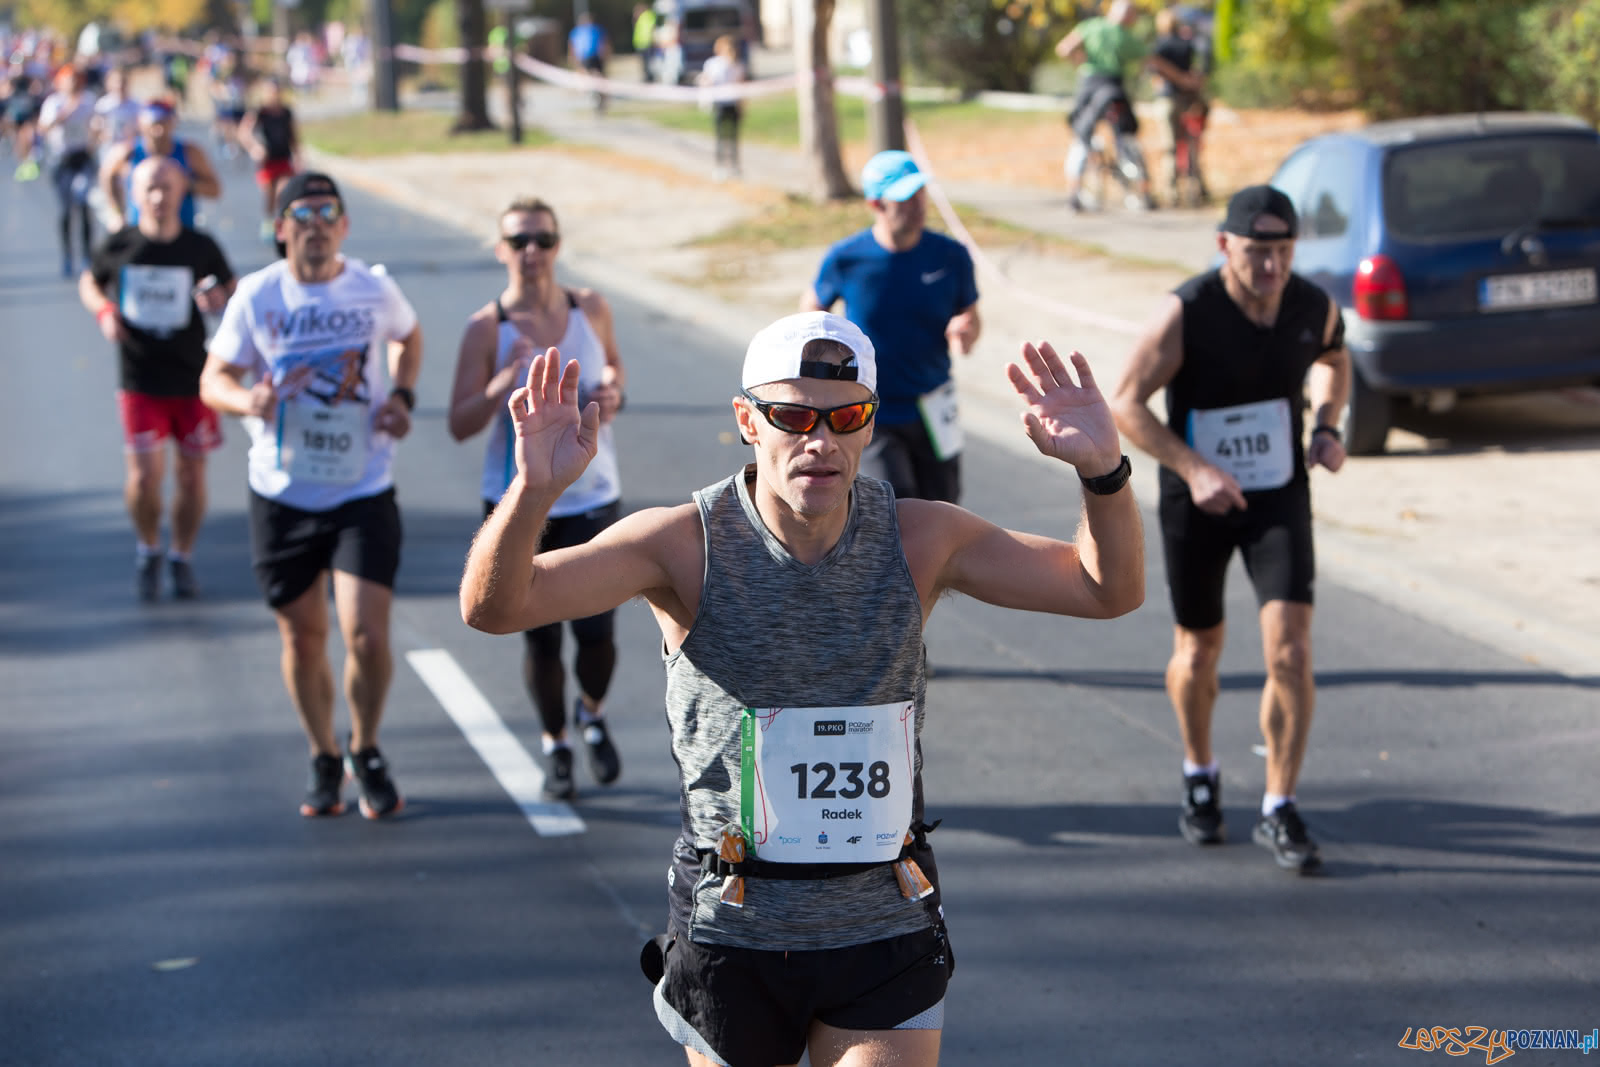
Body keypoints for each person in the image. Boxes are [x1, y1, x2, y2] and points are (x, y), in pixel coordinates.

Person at [460, 310, 1144, 1067]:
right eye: (791, 416)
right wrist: (531, 491)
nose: (818, 440)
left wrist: (1103, 472)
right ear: (748, 422)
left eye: (844, 417)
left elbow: (1104, 588)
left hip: (884, 915)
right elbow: (498, 606)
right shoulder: (683, 544)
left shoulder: (921, 538)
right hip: (735, 927)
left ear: (868, 426)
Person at [1108, 185, 1351, 874]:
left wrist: (1329, 423)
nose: (1270, 267)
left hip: (1277, 495)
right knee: (1198, 650)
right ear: (1224, 246)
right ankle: (1199, 769)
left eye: (1281, 252)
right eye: (1255, 253)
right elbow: (1125, 401)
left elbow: (1336, 358)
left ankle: (1279, 803)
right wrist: (1194, 467)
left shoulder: (1313, 305)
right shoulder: (1185, 313)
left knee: (1292, 652)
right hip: (1198, 500)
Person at [198, 172, 423, 820]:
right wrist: (250, 399)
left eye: (330, 212)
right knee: (302, 640)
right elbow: (214, 377)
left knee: (366, 635)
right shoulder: (257, 295)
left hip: (363, 485)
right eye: (303, 213)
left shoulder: (373, 289)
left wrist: (402, 397)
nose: (317, 223)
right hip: (283, 491)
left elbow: (411, 336)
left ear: (345, 226)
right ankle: (324, 752)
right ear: (282, 227)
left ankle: (367, 746)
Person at [448, 197, 626, 801]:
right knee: (542, 636)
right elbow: (458, 423)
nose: (531, 252)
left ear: (557, 246)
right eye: (518, 241)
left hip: (595, 494)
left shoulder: (591, 307)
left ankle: (592, 712)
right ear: (501, 251)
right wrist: (501, 382)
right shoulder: (486, 328)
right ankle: (556, 742)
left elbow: (617, 373)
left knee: (599, 634)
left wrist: (613, 392)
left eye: (542, 240)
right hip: (520, 501)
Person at [80, 156, 235, 601]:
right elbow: (91, 283)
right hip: (139, 376)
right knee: (145, 478)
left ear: (181, 192)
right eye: (148, 187)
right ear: (133, 193)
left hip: (191, 377)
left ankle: (180, 556)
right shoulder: (119, 245)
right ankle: (148, 545)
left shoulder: (200, 246)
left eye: (166, 187)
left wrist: (217, 298)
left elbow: (232, 291)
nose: (157, 197)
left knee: (191, 476)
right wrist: (105, 311)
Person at [801, 150, 980, 504]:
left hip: (934, 405)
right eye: (904, 198)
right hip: (872, 408)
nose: (916, 205)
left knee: (943, 509)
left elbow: (971, 317)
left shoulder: (951, 256)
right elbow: (811, 309)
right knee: (895, 505)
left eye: (920, 194)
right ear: (876, 205)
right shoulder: (847, 257)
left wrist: (965, 330)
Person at [1054, 0, 1193, 213]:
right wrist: (1182, 79)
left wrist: (1081, 62)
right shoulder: (1126, 37)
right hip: (1113, 89)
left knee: (1082, 136)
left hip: (1088, 87)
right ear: (1128, 16)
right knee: (1126, 136)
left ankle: (1074, 194)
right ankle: (1144, 192)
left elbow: (1064, 49)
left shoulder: (1091, 26)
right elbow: (1154, 63)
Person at [99, 96, 221, 232]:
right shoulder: (129, 151)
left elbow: (215, 190)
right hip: (140, 232)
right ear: (142, 124)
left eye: (164, 123)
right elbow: (107, 175)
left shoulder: (189, 152)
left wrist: (187, 184)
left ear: (172, 123)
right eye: (154, 124)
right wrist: (117, 213)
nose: (159, 131)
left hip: (181, 232)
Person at [36, 64, 99, 276]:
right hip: (61, 161)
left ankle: (87, 256)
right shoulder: (54, 103)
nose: (73, 83)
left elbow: (97, 124)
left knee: (83, 204)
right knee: (65, 210)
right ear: (61, 82)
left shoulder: (89, 100)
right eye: (68, 79)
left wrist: (96, 137)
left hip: (82, 158)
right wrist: (64, 114)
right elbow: (43, 129)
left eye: (76, 79)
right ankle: (67, 256)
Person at [1150, 6, 1211, 206]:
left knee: (1170, 146)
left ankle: (1172, 192)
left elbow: (1154, 69)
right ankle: (1197, 189)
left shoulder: (1160, 45)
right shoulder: (1188, 44)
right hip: (1189, 100)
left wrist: (1173, 78)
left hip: (1168, 99)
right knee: (1191, 144)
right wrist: (1192, 79)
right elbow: (1204, 61)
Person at [237, 77, 298, 242]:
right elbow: (244, 132)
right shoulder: (259, 112)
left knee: (283, 191)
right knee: (270, 195)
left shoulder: (286, 112)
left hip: (284, 158)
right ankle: (268, 222)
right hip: (267, 161)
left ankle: (283, 223)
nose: (274, 95)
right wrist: (254, 147)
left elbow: (293, 136)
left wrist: (299, 156)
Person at [696, 34, 745, 181]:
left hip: (733, 105)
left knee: (733, 138)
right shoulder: (713, 64)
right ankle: (720, 167)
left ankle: (735, 167)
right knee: (720, 138)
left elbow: (741, 86)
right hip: (720, 105)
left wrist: (742, 105)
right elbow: (707, 81)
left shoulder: (738, 65)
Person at [568, 12, 610, 114]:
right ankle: (594, 95)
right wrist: (572, 57)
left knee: (599, 77)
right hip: (585, 58)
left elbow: (604, 43)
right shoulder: (576, 31)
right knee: (587, 76)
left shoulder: (597, 30)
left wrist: (606, 54)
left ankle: (601, 99)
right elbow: (572, 46)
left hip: (596, 58)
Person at [632, 3, 658, 82]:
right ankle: (648, 77)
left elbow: (652, 29)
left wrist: (653, 41)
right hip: (641, 44)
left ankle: (650, 77)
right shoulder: (641, 18)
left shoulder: (648, 16)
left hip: (647, 43)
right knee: (644, 62)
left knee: (648, 62)